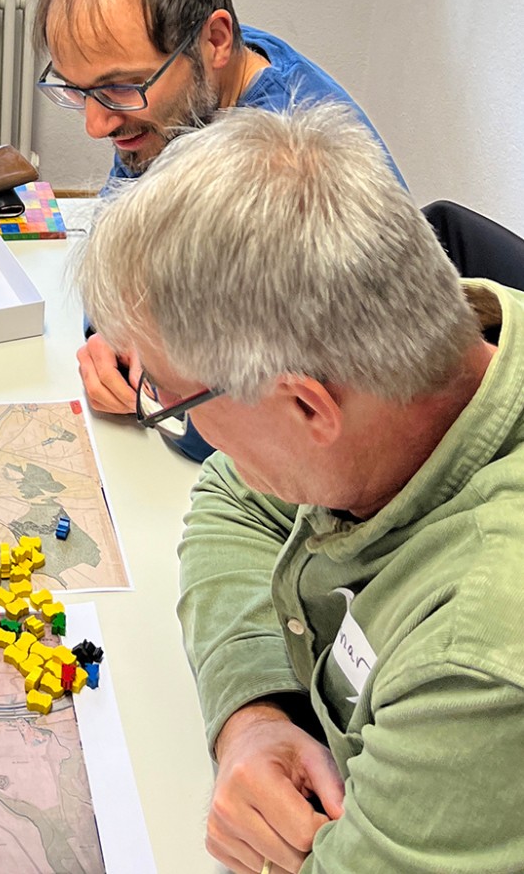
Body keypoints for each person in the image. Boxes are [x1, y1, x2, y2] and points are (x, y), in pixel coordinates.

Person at [76, 103, 524, 872]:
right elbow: (231, 497)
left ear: (307, 405)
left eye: (173, 399)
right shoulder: (407, 384)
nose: (173, 419)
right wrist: (254, 715)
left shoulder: (478, 654)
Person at [34, 0, 400, 461]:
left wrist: (149, 386)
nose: (95, 124)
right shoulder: (187, 99)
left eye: (120, 87)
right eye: (78, 90)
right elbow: (116, 249)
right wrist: (106, 335)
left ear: (216, 40)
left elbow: (247, 423)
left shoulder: (289, 176)